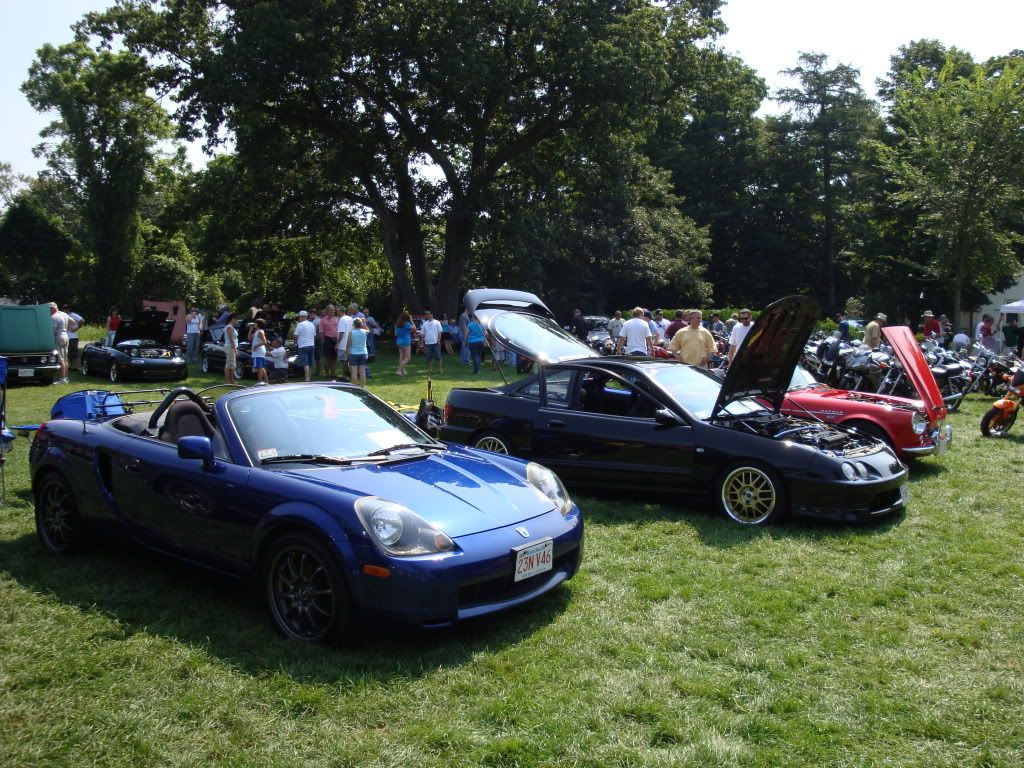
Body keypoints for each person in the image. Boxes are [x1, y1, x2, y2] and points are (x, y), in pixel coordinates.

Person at [49, 302, 71, 384]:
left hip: (58, 337)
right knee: (65, 358)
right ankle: (66, 377)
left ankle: (62, 379)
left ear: (52, 308)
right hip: (66, 336)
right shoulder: (64, 314)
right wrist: (67, 330)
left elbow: (53, 331)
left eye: (49, 309)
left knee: (61, 359)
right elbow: (73, 322)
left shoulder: (53, 317)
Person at [346, 317, 370, 387]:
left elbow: (348, 345)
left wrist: (347, 354)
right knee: (362, 371)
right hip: (363, 353)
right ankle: (362, 387)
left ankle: (354, 386)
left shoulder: (351, 333)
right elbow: (368, 330)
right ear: (361, 325)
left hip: (353, 353)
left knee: (354, 371)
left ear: (353, 324)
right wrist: (364, 323)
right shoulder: (364, 332)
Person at [293, 310, 316, 382]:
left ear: (302, 317)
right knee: (310, 362)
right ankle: (309, 376)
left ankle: (307, 378)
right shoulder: (311, 324)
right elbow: (314, 335)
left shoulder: (300, 325)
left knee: (305, 363)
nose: (299, 318)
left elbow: (295, 336)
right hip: (311, 345)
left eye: (299, 316)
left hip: (303, 345)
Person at [420, 309, 445, 374]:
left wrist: (439, 340)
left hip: (435, 342)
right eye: (426, 314)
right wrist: (422, 343)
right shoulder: (424, 323)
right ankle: (429, 370)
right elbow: (422, 334)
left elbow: (440, 332)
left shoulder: (437, 322)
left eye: (428, 314)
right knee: (429, 358)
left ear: (432, 314)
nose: (427, 315)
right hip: (427, 343)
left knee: (438, 357)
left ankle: (440, 370)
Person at [319, 304, 339, 378]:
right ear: (327, 311)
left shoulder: (337, 319)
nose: (332, 311)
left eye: (333, 309)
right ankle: (327, 373)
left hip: (335, 339)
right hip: (327, 339)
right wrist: (323, 341)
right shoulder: (323, 320)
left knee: (334, 357)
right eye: (331, 309)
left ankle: (333, 373)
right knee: (327, 357)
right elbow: (321, 332)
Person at [249, 318, 269, 384]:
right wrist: (251, 329)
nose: (254, 324)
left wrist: (256, 346)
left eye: (255, 323)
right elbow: (249, 338)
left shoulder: (260, 332)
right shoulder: (257, 331)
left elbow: (264, 341)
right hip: (258, 352)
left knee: (259, 367)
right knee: (261, 367)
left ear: (258, 324)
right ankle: (266, 381)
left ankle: (260, 381)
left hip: (258, 351)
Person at [394, 311, 414, 375]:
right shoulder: (407, 323)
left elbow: (396, 334)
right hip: (406, 342)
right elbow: (414, 328)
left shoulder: (397, 324)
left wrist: (405, 332)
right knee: (408, 358)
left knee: (402, 357)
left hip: (399, 341)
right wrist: (411, 320)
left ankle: (403, 371)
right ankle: (399, 370)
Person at [336, 306, 354, 378]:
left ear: (340, 311)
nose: (336, 313)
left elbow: (341, 333)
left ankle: (345, 375)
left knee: (344, 360)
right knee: (349, 360)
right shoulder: (350, 318)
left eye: (337, 311)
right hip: (350, 342)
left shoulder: (342, 319)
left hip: (343, 343)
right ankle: (350, 374)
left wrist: (337, 343)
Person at [223, 312, 238, 385]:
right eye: (236, 319)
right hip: (230, 347)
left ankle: (232, 380)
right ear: (233, 319)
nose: (237, 321)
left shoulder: (231, 327)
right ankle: (227, 381)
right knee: (228, 364)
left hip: (231, 347)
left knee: (232, 365)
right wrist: (235, 349)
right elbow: (231, 339)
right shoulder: (229, 327)